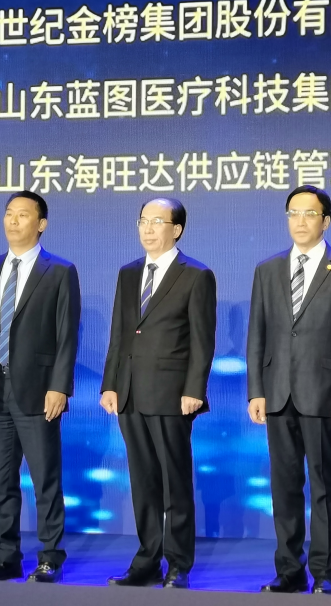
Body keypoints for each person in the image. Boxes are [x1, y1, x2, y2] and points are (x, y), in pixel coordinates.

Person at [247, 185, 331, 595]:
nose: (300, 221)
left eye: (309, 214)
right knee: (284, 487)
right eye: (293, 213)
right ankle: (289, 570)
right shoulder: (267, 269)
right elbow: (257, 336)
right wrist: (256, 390)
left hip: (324, 394)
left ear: (326, 221)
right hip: (277, 393)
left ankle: (324, 571)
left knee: (323, 485)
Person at [0, 191, 80, 584]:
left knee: (45, 478)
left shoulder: (59, 271)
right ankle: (6, 557)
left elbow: (67, 335)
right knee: (0, 480)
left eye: (23, 215)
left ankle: (50, 557)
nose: (13, 221)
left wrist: (59, 386)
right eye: (9, 213)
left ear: (41, 224)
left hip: (38, 388)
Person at [100, 198, 216, 589]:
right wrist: (110, 383)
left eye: (157, 221)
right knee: (143, 481)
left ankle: (178, 563)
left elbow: (202, 340)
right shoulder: (128, 273)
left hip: (172, 394)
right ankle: (147, 560)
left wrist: (194, 389)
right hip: (130, 392)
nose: (148, 229)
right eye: (143, 221)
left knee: (174, 482)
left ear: (176, 229)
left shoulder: (196, 275)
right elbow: (119, 334)